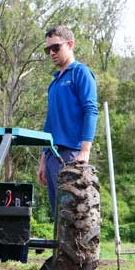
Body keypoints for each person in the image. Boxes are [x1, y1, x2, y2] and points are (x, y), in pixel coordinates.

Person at [37, 25, 98, 215]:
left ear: (70, 44)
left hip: (72, 154)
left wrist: (85, 151)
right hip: (52, 156)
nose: (51, 53)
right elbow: (50, 123)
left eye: (56, 48)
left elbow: (91, 110)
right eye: (48, 50)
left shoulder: (81, 73)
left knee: (74, 215)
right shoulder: (53, 83)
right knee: (58, 214)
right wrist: (43, 160)